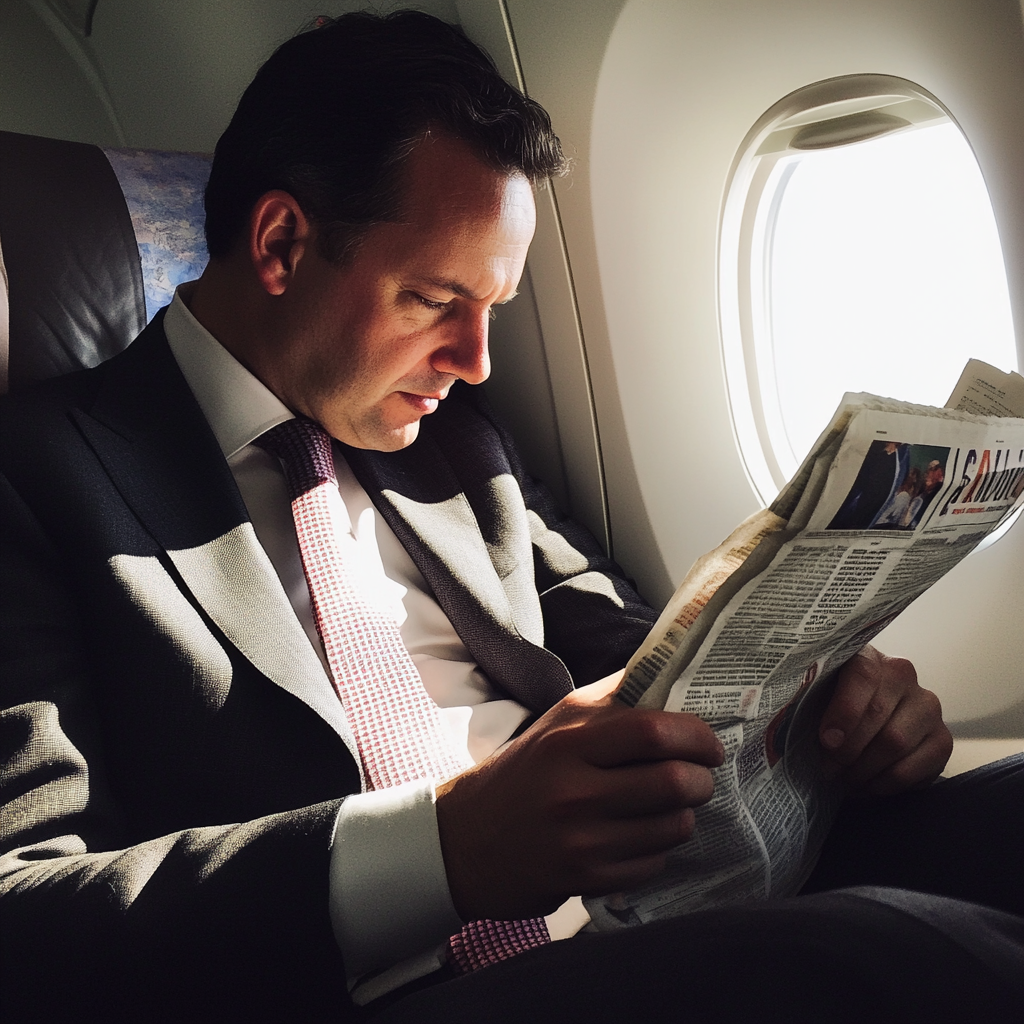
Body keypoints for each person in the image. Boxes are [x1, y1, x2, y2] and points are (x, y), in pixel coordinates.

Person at [1, 12, 1021, 1023]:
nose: (475, 361)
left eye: (494, 307)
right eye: (435, 299)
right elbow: (27, 912)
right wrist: (449, 848)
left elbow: (651, 659)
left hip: (638, 912)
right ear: (280, 242)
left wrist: (827, 715)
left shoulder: (458, 446)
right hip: (374, 985)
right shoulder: (39, 477)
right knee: (884, 956)